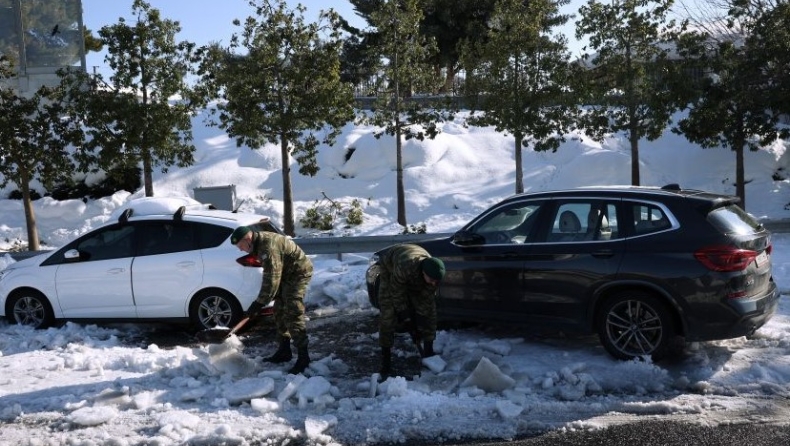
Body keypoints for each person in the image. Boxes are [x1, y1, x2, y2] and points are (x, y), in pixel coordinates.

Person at [231, 225, 314, 375]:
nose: (240, 250)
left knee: (292, 312)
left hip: (298, 273)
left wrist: (258, 303)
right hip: (285, 273)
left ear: (248, 239)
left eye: (240, 245)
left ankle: (304, 357)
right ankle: (284, 350)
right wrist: (261, 302)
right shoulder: (257, 244)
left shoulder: (267, 248)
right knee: (278, 311)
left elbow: (272, 281)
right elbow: (272, 277)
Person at [376, 243, 446, 378]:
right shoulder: (405, 267)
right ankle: (386, 360)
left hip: (413, 266)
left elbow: (426, 304)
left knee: (430, 312)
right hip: (389, 266)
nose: (433, 284)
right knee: (388, 314)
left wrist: (419, 324)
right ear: (423, 273)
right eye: (431, 280)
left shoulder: (433, 274)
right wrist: (406, 316)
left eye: (436, 282)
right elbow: (397, 292)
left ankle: (428, 351)